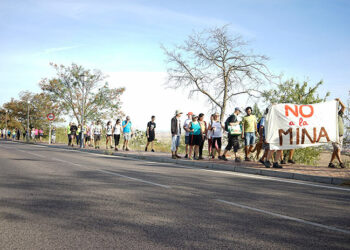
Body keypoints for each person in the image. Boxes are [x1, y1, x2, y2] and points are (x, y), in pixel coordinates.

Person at [329, 98, 346, 168]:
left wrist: (339, 101)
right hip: (334, 135)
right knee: (337, 149)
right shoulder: (330, 117)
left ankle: (330, 163)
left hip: (341, 135)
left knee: (335, 150)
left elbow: (344, 107)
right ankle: (341, 162)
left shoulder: (340, 114)